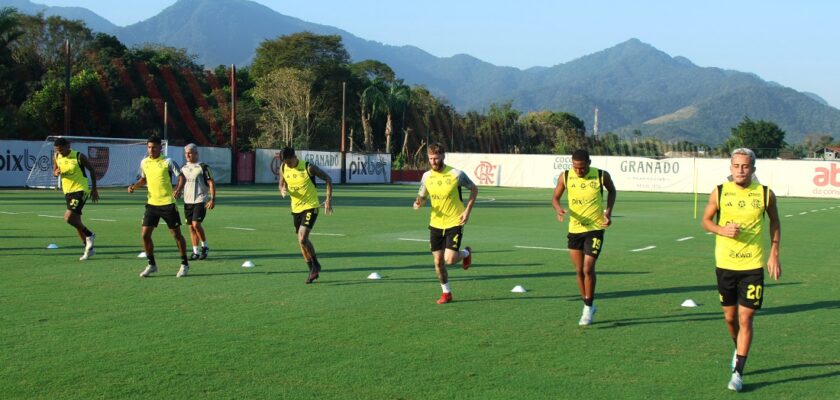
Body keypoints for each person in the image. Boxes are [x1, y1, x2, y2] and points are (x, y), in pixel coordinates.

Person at [701, 148, 781, 392]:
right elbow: (705, 221)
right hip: (725, 265)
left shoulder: (765, 194)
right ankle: (738, 348)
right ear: (730, 167)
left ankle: (738, 372)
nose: (740, 170)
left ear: (753, 169)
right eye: (736, 166)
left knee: (746, 318)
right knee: (730, 318)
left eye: (745, 166)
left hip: (752, 266)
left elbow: (775, 222)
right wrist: (721, 230)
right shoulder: (720, 191)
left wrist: (774, 253)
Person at [551, 149, 616, 325]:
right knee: (579, 270)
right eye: (576, 167)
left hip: (595, 227)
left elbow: (612, 191)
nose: (579, 171)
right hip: (574, 229)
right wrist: (558, 209)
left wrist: (608, 212)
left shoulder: (601, 175)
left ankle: (587, 308)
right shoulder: (565, 176)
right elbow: (555, 198)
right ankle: (587, 302)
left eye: (582, 168)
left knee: (588, 268)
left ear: (589, 162)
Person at [413, 143, 477, 304]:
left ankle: (465, 254)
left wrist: (467, 211)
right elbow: (422, 194)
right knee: (438, 262)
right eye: (430, 159)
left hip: (454, 221)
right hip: (435, 223)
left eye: (436, 158)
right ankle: (446, 292)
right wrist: (418, 202)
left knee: (449, 260)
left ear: (443, 156)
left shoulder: (456, 174)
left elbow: (474, 189)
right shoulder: (427, 176)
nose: (433, 161)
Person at [128, 136, 190, 278]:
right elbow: (144, 179)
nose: (151, 150)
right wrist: (134, 186)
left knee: (176, 235)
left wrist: (178, 189)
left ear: (160, 148)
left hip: (168, 203)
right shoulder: (144, 162)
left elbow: (181, 177)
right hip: (152, 204)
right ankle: (151, 265)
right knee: (145, 235)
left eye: (154, 147)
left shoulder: (168, 161)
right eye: (149, 147)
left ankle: (184, 264)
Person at [278, 147, 333, 284]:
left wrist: (328, 200)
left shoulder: (309, 167)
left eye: (289, 162)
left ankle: (316, 265)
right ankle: (312, 269)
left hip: (311, 207)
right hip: (295, 209)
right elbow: (281, 183)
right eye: (285, 163)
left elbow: (328, 179)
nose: (288, 165)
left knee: (302, 238)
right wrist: (282, 189)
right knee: (300, 241)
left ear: (294, 156)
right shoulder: (283, 167)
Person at [52, 137, 99, 260]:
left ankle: (90, 234)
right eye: (57, 150)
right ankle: (89, 249)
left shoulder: (79, 156)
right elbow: (55, 170)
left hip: (80, 190)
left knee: (68, 217)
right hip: (67, 192)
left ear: (68, 146)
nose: (60, 152)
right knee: (76, 221)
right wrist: (56, 172)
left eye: (61, 150)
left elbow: (92, 170)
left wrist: (94, 189)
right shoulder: (57, 156)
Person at [181, 144, 216, 260]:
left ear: (196, 154)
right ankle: (195, 251)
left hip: (200, 200)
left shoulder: (203, 167)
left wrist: (212, 198)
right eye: (186, 153)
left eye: (190, 153)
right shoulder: (183, 168)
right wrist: (177, 191)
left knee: (196, 224)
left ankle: (204, 246)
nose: (187, 155)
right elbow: (182, 183)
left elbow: (211, 182)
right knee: (191, 227)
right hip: (187, 201)